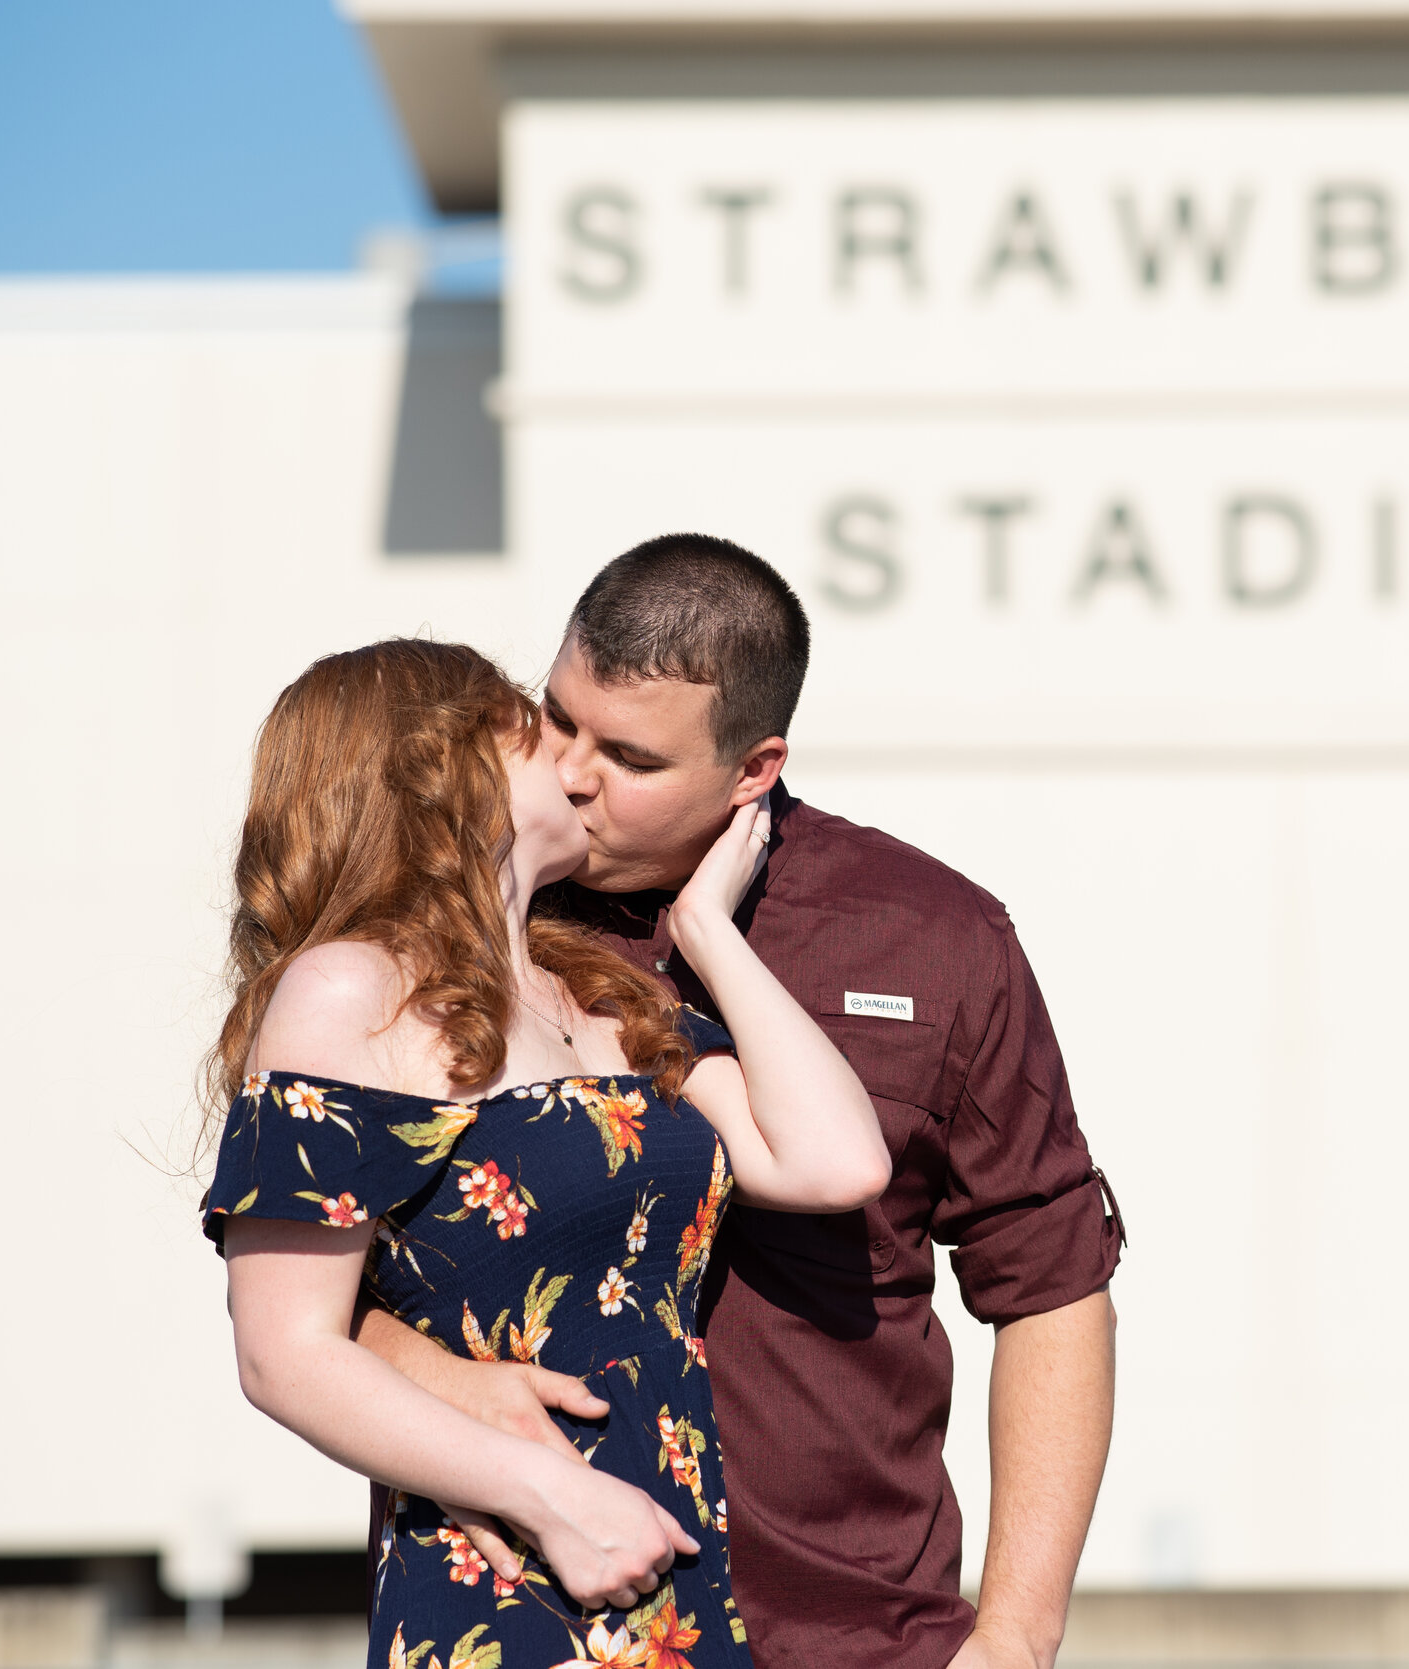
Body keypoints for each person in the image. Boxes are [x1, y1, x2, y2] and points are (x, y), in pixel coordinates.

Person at [354, 536, 1125, 1669]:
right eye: (559, 721)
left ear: (753, 768)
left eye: (630, 755)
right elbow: (302, 1282)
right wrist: (437, 1380)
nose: (573, 774)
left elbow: (1052, 1286)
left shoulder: (933, 936)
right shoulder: (463, 921)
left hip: (850, 1635)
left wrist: (1013, 1636)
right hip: (537, 1619)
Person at [202, 638, 890, 1668]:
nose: (577, 763)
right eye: (537, 727)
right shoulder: (350, 991)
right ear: (447, 766)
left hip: (671, 1568)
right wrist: (555, 1498)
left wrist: (707, 929)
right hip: (518, 1576)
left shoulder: (602, 994)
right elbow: (282, 1353)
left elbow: (836, 1159)